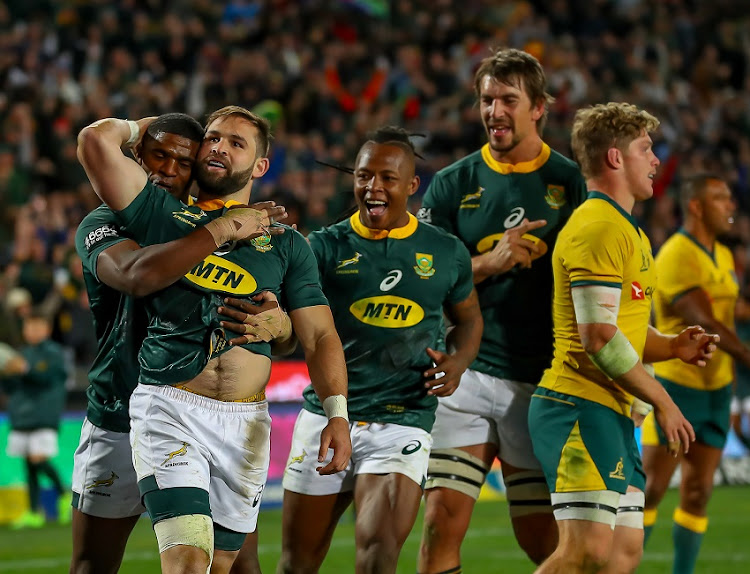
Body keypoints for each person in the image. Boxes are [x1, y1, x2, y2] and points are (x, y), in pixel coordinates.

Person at [77, 106, 352, 574]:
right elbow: (134, 272)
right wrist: (152, 127)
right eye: (213, 139)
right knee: (159, 561)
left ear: (261, 166)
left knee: (228, 566)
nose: (219, 148)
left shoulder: (283, 242)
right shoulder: (153, 216)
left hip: (243, 422)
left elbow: (315, 332)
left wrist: (333, 405)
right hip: (143, 405)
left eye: (236, 143)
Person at [230, 126, 479, 574]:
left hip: (402, 417)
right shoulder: (323, 248)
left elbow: (469, 320)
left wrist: (459, 361)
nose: (373, 187)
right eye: (364, 176)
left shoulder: (445, 252)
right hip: (327, 415)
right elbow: (292, 336)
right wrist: (276, 323)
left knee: (378, 555)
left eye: (387, 177)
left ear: (410, 186)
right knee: (296, 565)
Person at [416, 47, 588, 571]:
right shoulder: (451, 183)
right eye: (487, 100)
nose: (494, 111)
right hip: (465, 373)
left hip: (537, 382)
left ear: (538, 107)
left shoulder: (569, 183)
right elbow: (424, 281)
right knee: (440, 524)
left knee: (541, 538)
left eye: (508, 100)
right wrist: (487, 263)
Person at [528, 102, 717, 574]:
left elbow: (626, 330)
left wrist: (672, 345)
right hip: (577, 406)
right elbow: (598, 338)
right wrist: (665, 402)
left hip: (610, 412)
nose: (656, 160)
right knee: (585, 551)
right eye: (646, 149)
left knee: (621, 556)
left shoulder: (628, 231)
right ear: (615, 158)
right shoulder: (598, 227)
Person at [641, 174, 750, 574]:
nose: (731, 206)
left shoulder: (722, 256)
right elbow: (709, 327)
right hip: (675, 389)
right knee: (651, 489)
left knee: (700, 492)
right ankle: (623, 566)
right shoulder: (674, 255)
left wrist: (735, 387)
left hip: (717, 392)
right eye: (721, 198)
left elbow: (729, 321)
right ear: (696, 206)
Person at [1, 313, 69, 529]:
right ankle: (33, 512)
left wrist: (24, 369)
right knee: (29, 465)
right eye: (29, 327)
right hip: (22, 416)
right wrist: (5, 374)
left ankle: (64, 494)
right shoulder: (22, 354)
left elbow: (46, 377)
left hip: (43, 415)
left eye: (37, 327)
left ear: (47, 329)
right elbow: (11, 387)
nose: (32, 331)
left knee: (38, 459)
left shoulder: (54, 353)